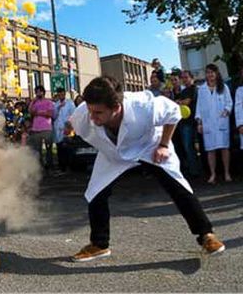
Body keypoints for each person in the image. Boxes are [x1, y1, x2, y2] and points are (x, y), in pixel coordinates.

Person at [69, 76, 224, 262]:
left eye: (98, 113)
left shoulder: (143, 105)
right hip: (113, 153)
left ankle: (207, 235)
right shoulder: (82, 115)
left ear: (117, 107)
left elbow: (174, 113)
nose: (92, 118)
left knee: (177, 187)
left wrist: (164, 145)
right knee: (95, 194)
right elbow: (77, 126)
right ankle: (99, 245)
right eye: (90, 111)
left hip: (149, 145)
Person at [195, 64, 232, 184]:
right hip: (208, 123)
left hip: (221, 121)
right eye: (208, 72)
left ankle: (226, 173)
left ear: (216, 73)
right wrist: (199, 122)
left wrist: (226, 111)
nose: (210, 75)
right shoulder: (202, 89)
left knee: (224, 148)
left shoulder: (224, 87)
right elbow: (199, 107)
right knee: (210, 150)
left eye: (212, 72)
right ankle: (213, 174)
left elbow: (229, 103)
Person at [175, 70, 201, 178]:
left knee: (189, 147)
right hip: (183, 122)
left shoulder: (194, 89)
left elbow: (187, 101)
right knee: (187, 147)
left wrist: (179, 102)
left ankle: (194, 171)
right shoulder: (183, 90)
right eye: (183, 78)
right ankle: (192, 169)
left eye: (186, 77)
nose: (184, 79)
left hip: (191, 122)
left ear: (191, 78)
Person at [28, 85, 55, 170]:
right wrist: (32, 102)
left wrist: (38, 112)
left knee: (48, 149)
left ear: (43, 92)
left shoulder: (49, 102)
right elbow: (30, 112)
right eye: (37, 92)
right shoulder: (35, 103)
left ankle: (49, 166)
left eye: (40, 91)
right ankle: (41, 167)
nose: (38, 93)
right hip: (36, 128)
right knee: (38, 149)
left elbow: (50, 114)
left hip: (46, 128)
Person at [53, 88, 76, 172]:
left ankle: (69, 165)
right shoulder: (56, 104)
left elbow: (73, 114)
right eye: (59, 95)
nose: (61, 96)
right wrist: (58, 107)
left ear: (65, 94)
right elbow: (54, 116)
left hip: (67, 127)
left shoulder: (70, 103)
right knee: (60, 148)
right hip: (58, 128)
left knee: (68, 147)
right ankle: (62, 166)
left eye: (62, 94)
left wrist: (69, 126)